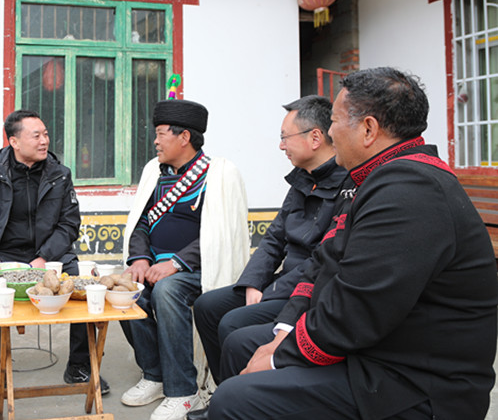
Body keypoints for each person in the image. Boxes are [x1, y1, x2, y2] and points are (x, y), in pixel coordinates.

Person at [210, 67, 498, 420]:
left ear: (368, 129)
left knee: (235, 399)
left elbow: (356, 311)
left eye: (333, 121)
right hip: (378, 351)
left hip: (416, 381)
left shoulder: (410, 191)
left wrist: (277, 357)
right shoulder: (379, 178)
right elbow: (324, 262)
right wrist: (284, 331)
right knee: (241, 344)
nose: (330, 132)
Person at [186, 95, 346, 420]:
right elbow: (274, 237)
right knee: (207, 306)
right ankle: (224, 391)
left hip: (307, 289)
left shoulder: (348, 185)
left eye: (285, 137)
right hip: (282, 283)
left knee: (233, 324)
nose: (281, 145)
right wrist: (253, 282)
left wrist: (270, 290)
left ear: (315, 138)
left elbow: (322, 259)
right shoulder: (302, 178)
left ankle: (240, 400)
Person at [0, 109, 109, 406]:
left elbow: (69, 224)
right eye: (36, 136)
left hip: (49, 254)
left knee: (82, 282)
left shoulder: (59, 174)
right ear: (14, 141)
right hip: (3, 253)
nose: (45, 141)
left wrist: (44, 257)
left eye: (46, 134)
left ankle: (80, 365)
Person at [119, 99, 249, 420]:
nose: (155, 141)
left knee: (167, 291)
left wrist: (175, 264)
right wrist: (139, 260)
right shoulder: (155, 172)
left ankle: (183, 391)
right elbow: (141, 222)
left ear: (184, 137)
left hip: (199, 269)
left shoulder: (218, 174)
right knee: (125, 290)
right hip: (154, 266)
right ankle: (155, 375)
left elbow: (221, 233)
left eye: (161, 134)